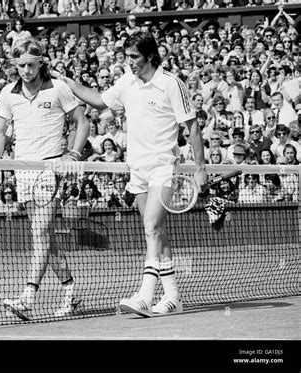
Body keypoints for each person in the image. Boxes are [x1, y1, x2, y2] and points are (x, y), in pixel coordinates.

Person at [57, 31, 207, 317]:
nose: (129, 62)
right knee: (156, 233)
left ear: (150, 56)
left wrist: (200, 169)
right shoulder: (127, 81)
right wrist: (68, 83)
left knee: (151, 226)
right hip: (137, 169)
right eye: (126, 57)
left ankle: (146, 295)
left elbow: (193, 127)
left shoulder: (170, 84)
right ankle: (173, 296)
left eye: (134, 57)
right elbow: (100, 100)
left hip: (164, 165)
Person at [0, 37, 90, 320]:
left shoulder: (58, 89)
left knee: (39, 234)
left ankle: (27, 297)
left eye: (30, 65)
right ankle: (71, 292)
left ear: (40, 62)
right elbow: (0, 133)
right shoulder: (8, 94)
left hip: (50, 169)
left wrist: (73, 155)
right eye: (20, 65)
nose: (25, 70)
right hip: (23, 171)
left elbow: (82, 123)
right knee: (45, 239)